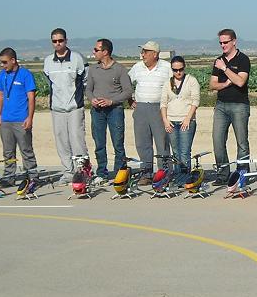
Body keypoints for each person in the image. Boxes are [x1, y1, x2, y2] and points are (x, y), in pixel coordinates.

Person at [43, 28, 88, 184]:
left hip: (75, 107)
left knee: (77, 140)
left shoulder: (77, 58)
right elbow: (49, 82)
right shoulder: (48, 61)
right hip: (57, 109)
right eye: (54, 41)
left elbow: (85, 79)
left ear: (66, 41)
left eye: (60, 40)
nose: (58, 43)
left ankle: (82, 172)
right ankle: (68, 172)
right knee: (61, 141)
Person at [85, 38, 133, 183]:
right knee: (99, 143)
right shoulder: (93, 69)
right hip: (97, 111)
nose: (94, 52)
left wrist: (111, 101)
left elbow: (128, 91)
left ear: (105, 52)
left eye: (96, 50)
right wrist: (92, 99)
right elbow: (88, 89)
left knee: (118, 143)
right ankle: (102, 172)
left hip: (114, 110)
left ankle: (120, 173)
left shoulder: (120, 69)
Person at [210, 28, 251, 184]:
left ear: (234, 41)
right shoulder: (218, 60)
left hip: (239, 105)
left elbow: (240, 82)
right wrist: (226, 83)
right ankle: (223, 174)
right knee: (218, 140)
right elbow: (212, 85)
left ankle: (242, 173)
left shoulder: (243, 60)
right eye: (220, 43)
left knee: (242, 142)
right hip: (221, 105)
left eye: (225, 42)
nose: (223, 45)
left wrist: (225, 69)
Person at [129, 40, 172, 184]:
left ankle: (164, 173)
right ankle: (146, 174)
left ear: (155, 54)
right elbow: (126, 83)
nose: (142, 55)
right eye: (142, 52)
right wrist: (129, 100)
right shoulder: (137, 67)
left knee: (162, 143)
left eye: (145, 52)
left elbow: (174, 85)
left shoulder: (166, 67)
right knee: (142, 143)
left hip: (159, 108)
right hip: (141, 108)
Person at [0, 48, 37, 178]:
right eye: (1, 62)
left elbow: (31, 97)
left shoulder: (25, 74)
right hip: (6, 120)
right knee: (8, 152)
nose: (2, 65)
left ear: (13, 60)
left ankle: (32, 175)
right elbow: (0, 95)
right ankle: (9, 175)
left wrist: (30, 117)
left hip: (21, 119)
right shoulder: (2, 75)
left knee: (26, 149)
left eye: (5, 62)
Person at [160, 55, 200, 186]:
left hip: (186, 121)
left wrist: (188, 118)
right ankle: (178, 177)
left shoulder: (191, 81)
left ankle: (185, 177)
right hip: (171, 121)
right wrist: (165, 120)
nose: (178, 72)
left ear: (184, 68)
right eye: (175, 70)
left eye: (180, 69)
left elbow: (195, 101)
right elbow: (163, 103)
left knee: (184, 151)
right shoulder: (167, 83)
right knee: (176, 152)